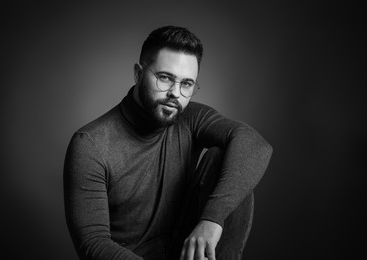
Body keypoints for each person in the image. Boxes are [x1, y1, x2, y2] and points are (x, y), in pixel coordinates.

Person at [64, 25, 272, 260]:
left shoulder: (190, 117)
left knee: (227, 157)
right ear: (138, 73)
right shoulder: (90, 144)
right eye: (165, 78)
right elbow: (93, 243)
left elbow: (256, 145)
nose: (175, 93)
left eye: (186, 84)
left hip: (187, 252)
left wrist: (211, 219)